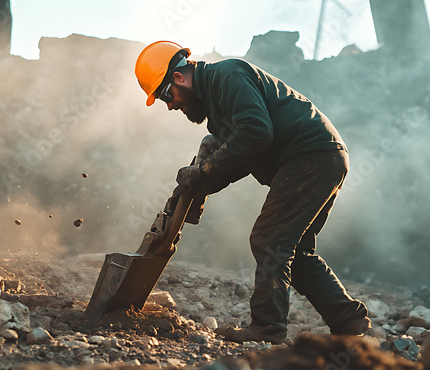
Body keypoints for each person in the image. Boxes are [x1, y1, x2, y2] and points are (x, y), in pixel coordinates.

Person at [134, 41, 371, 344]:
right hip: (321, 156)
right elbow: (236, 154)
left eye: (166, 94)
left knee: (269, 239)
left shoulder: (227, 76)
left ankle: (267, 328)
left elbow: (256, 133)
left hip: (311, 155)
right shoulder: (217, 104)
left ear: (179, 77)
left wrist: (202, 174)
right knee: (295, 253)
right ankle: (350, 323)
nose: (170, 105)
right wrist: (191, 193)